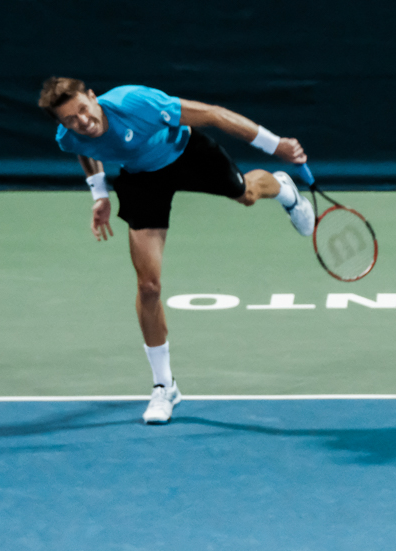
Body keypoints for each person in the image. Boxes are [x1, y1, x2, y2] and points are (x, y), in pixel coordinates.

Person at [38, 78, 315, 424]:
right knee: (148, 288)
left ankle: (285, 190)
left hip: (188, 154)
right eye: (69, 120)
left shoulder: (135, 103)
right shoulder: (69, 138)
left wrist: (276, 145)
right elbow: (86, 148)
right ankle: (164, 385)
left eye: (83, 109)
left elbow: (214, 114)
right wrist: (100, 194)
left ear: (93, 98)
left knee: (246, 194)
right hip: (142, 179)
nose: (81, 121)